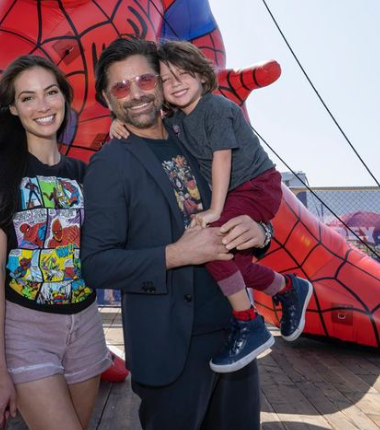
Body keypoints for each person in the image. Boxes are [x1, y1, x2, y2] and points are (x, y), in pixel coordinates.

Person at [82, 37, 269, 430]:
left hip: (235, 332)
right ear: (106, 97)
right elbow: (96, 265)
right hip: (171, 349)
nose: (135, 94)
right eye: (120, 86)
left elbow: (247, 194)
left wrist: (261, 231)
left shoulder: (194, 135)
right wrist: (177, 254)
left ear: (162, 83)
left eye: (145, 80)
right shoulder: (109, 163)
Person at [109, 40, 313, 373]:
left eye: (183, 74)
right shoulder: (176, 121)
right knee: (228, 260)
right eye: (166, 79)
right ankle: (288, 288)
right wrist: (117, 124)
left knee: (211, 242)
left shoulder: (215, 107)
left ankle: (249, 322)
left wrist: (215, 211)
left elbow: (221, 159)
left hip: (256, 185)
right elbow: (145, 125)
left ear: (202, 76)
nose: (175, 83)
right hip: (235, 194)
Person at [0, 55, 112, 430]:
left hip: (85, 326)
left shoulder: (85, 174)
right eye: (28, 97)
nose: (43, 105)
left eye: (50, 92)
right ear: (13, 109)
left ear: (64, 97)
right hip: (26, 328)